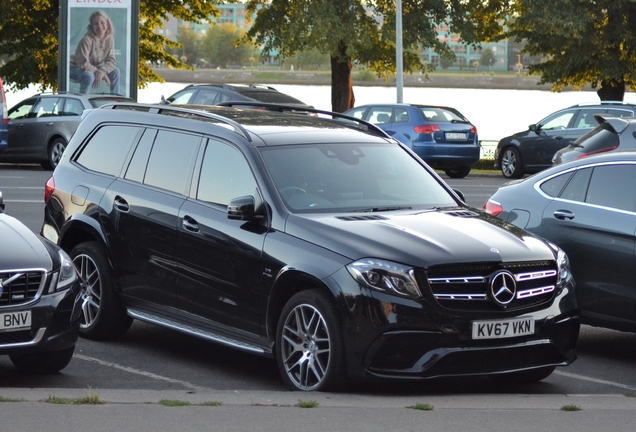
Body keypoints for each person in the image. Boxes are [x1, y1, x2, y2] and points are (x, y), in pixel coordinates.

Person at [69, 10, 120, 94]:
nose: (99, 26)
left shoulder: (110, 39)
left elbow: (111, 61)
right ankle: (83, 101)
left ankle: (116, 100)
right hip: (75, 67)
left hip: (91, 67)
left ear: (107, 24)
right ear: (92, 27)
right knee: (89, 75)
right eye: (95, 24)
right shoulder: (86, 40)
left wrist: (101, 72)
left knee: (115, 71)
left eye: (102, 22)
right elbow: (83, 64)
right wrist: (98, 72)